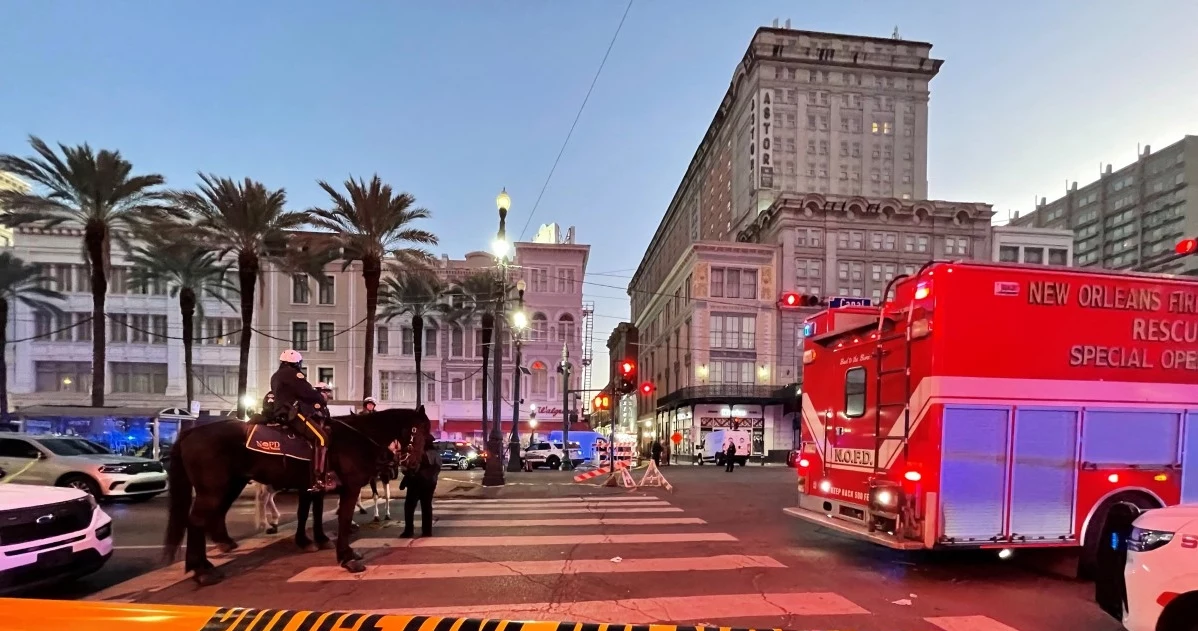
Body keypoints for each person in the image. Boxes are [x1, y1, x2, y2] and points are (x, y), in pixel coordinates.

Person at [270, 349, 334, 493]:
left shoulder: (276, 375)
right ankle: (318, 478)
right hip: (292, 413)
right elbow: (306, 392)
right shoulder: (294, 375)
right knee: (322, 438)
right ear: (296, 363)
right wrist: (319, 397)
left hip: (281, 412)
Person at [400, 428, 441, 538]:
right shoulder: (435, 453)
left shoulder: (417, 453)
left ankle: (409, 530)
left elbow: (407, 467)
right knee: (426, 506)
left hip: (416, 482)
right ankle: (427, 531)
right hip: (429, 483)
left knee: (409, 506)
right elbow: (437, 468)